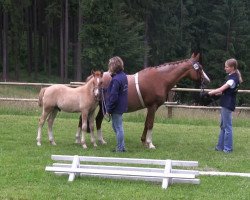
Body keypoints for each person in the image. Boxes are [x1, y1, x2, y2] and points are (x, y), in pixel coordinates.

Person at [208, 58, 243, 153]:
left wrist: (210, 93)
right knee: (223, 126)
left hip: (227, 104)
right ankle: (220, 147)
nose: (225, 68)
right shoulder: (232, 76)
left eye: (226, 67)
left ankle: (227, 149)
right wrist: (217, 93)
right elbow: (225, 91)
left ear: (232, 67)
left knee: (227, 127)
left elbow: (221, 89)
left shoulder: (232, 79)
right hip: (226, 103)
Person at [106, 56, 128, 152]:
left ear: (114, 66)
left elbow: (114, 97)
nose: (109, 67)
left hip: (117, 107)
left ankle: (120, 148)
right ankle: (122, 147)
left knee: (118, 127)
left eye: (110, 65)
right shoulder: (123, 76)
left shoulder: (116, 80)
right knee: (116, 126)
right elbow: (116, 91)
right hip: (122, 106)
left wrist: (108, 110)